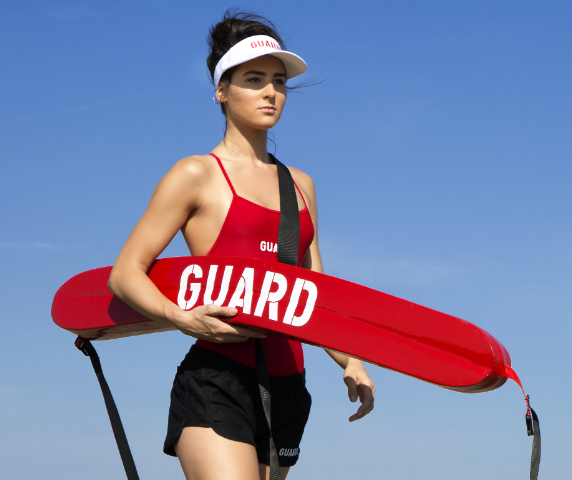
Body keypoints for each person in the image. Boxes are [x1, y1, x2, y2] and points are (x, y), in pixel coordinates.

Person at [107, 10, 373, 480]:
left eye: (278, 81)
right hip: (217, 377)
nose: (271, 92)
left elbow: (314, 295)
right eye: (254, 79)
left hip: (289, 383)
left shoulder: (301, 186)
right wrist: (182, 318)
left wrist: (351, 360)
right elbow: (126, 272)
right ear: (221, 90)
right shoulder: (195, 174)